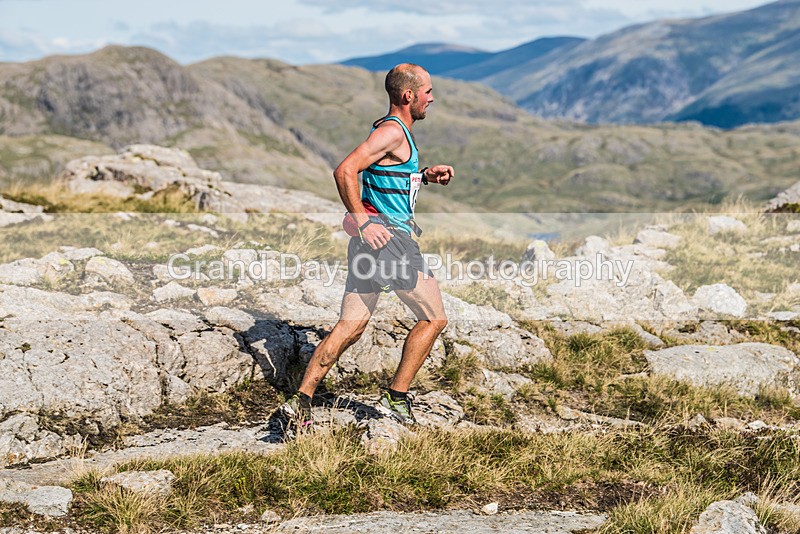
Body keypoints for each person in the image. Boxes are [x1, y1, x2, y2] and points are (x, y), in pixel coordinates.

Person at [279, 63, 454, 430]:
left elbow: (383, 175)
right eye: (427, 91)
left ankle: (300, 401)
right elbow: (345, 170)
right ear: (408, 95)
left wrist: (423, 176)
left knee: (352, 325)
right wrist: (361, 220)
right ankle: (396, 398)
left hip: (371, 244)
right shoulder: (392, 132)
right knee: (434, 318)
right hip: (390, 242)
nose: (432, 98)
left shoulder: (393, 132)